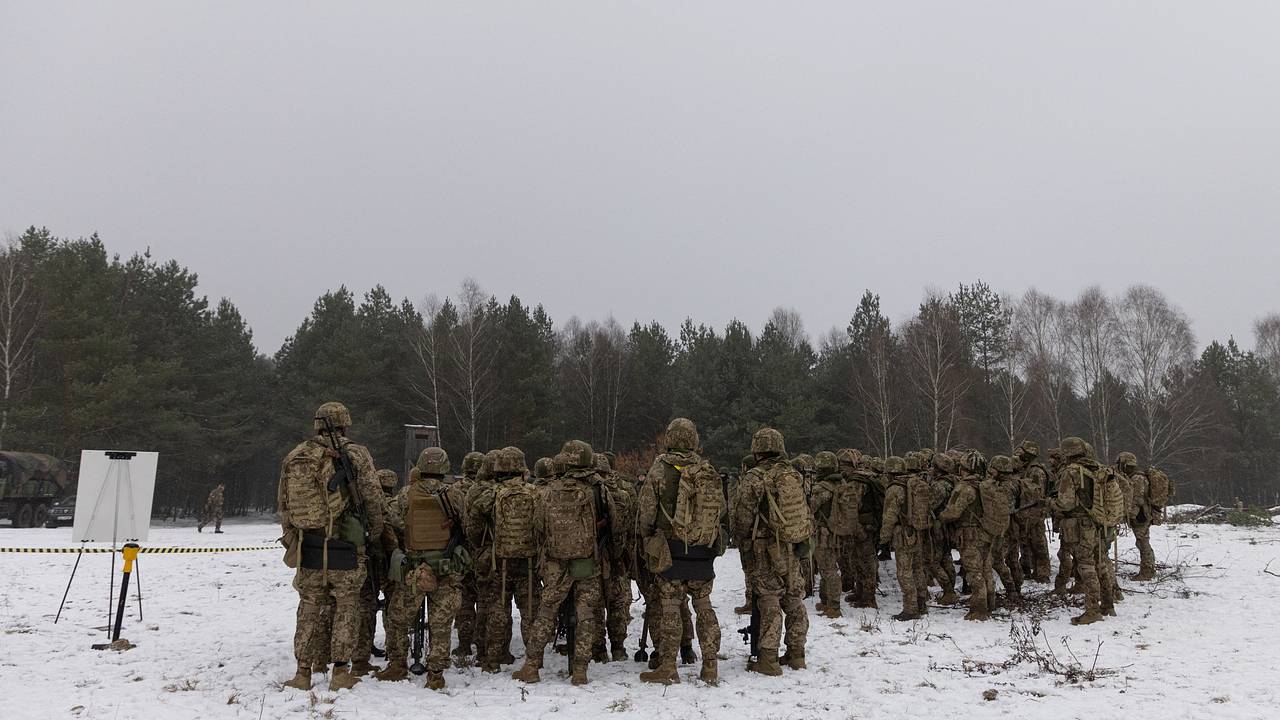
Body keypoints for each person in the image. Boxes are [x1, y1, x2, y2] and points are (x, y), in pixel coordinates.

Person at [278, 402, 385, 691]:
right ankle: (340, 672)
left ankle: (303, 673)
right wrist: (373, 531)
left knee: (310, 607)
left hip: (310, 545)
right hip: (345, 545)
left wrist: (294, 536)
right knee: (346, 606)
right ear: (345, 424)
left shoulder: (296, 455)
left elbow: (284, 505)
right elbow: (372, 496)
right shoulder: (356, 453)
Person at [636, 418, 723, 685]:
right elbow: (721, 510)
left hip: (670, 550)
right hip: (703, 549)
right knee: (704, 606)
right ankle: (710, 666)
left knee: (671, 608)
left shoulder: (660, 470)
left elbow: (647, 513)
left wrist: (647, 536)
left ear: (670, 438)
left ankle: (667, 668)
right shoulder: (707, 469)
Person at [512, 441, 605, 685]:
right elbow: (613, 523)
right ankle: (581, 670)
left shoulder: (549, 490)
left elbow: (539, 526)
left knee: (546, 612)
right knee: (585, 614)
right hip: (587, 560)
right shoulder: (597, 489)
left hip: (555, 561)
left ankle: (532, 666)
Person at [376, 448, 470, 690]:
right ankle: (436, 674)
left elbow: (394, 522)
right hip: (446, 569)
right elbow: (469, 526)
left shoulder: (407, 494)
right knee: (441, 623)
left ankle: (398, 665)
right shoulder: (455, 495)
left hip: (415, 570)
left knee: (397, 619)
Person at [732, 427, 810, 675]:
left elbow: (743, 517)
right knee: (794, 598)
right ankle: (797, 654)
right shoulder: (793, 474)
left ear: (757, 450)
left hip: (764, 547)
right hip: (792, 544)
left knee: (769, 599)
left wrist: (741, 539)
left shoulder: (755, 478)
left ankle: (768, 658)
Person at [466, 447, 541, 673]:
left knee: (498, 612)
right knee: (530, 612)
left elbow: (473, 527)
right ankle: (533, 661)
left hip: (500, 563)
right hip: (528, 563)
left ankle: (492, 660)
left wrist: (483, 543)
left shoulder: (491, 494)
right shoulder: (535, 493)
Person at [1048, 437, 1109, 625]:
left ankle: (1092, 611)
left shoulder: (1071, 472)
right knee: (1100, 562)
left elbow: (1065, 503)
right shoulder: (1096, 468)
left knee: (1085, 565)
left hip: (1079, 524)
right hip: (1097, 521)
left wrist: (1050, 502)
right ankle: (1108, 604)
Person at [938, 451, 991, 621]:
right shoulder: (986, 485)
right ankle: (991, 602)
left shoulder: (965, 487)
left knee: (974, 572)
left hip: (969, 534)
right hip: (985, 531)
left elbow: (953, 512)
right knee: (985, 569)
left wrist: (941, 517)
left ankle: (979, 609)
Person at [451, 451, 485, 660]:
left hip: (460, 553)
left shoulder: (453, 491)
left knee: (464, 601)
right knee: (484, 600)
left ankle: (464, 645)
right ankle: (482, 645)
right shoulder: (487, 490)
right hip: (483, 552)